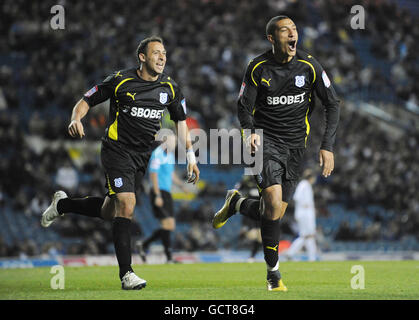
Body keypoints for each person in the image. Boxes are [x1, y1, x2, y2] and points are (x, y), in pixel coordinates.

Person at [41, 36, 200, 290]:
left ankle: (63, 204)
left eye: (164, 53)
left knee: (109, 211)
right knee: (127, 203)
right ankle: (127, 274)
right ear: (142, 57)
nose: (162, 57)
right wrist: (76, 119)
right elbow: (86, 100)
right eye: (156, 53)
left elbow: (181, 121)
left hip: (141, 156)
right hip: (117, 150)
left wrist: (191, 158)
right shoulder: (120, 81)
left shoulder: (170, 88)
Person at [212, 16, 340, 291]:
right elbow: (243, 106)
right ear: (272, 38)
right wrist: (249, 133)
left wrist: (327, 146)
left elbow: (332, 103)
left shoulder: (309, 66)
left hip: (296, 148)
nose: (293, 34)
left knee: (274, 213)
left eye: (294, 29)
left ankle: (236, 204)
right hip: (265, 143)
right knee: (271, 200)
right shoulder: (257, 67)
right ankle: (274, 275)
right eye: (286, 30)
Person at [137, 134, 187, 263]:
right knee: (167, 224)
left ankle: (144, 244)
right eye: (171, 142)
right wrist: (157, 195)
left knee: (170, 225)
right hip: (158, 191)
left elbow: (171, 174)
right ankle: (168, 257)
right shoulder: (157, 154)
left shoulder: (169, 155)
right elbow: (153, 175)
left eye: (175, 142)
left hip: (167, 192)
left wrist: (181, 185)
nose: (174, 144)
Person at [284, 169, 317, 261]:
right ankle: (311, 257)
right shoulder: (304, 184)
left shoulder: (306, 185)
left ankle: (292, 253)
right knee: (308, 235)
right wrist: (305, 205)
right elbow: (297, 197)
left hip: (305, 213)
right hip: (305, 213)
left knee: (306, 235)